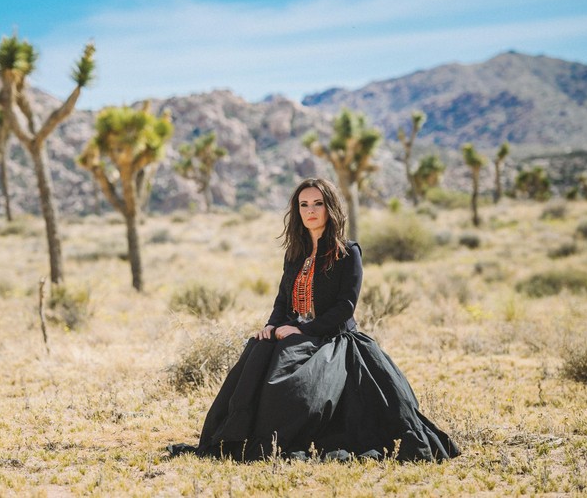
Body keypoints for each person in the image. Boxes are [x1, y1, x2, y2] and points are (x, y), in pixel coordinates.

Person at [169, 177, 460, 462]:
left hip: (333, 340)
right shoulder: (294, 253)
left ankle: (287, 437)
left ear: (330, 208)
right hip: (294, 333)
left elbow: (345, 307)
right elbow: (283, 299)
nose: (310, 210)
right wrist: (272, 325)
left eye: (317, 203)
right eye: (303, 204)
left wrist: (299, 329)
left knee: (289, 380)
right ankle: (238, 438)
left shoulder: (348, 253)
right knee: (257, 349)